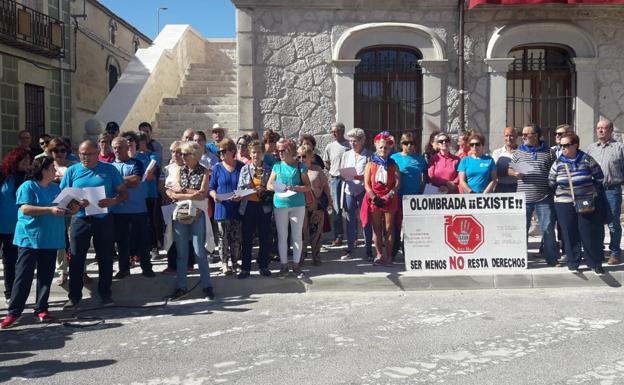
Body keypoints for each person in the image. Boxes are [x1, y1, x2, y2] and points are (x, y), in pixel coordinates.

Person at [0, 157, 79, 329]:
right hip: (30, 238)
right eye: (51, 168)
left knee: (45, 276)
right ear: (42, 170)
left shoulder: (56, 188)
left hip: (50, 238)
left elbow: (62, 211)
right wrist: (49, 210)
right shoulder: (27, 186)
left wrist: (73, 209)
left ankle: (41, 309)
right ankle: (14, 312)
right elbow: (25, 208)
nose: (55, 171)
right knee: (23, 276)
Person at [60, 140, 128, 308]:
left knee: (105, 257)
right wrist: (75, 203)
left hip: (104, 219)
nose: (85, 157)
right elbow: (63, 196)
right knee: (76, 259)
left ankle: (105, 293)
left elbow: (124, 193)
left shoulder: (109, 169)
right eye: (82, 154)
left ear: (97, 153)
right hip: (80, 219)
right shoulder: (72, 171)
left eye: (89, 154)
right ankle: (74, 296)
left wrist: (112, 201)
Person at [549, 133, 606, 274]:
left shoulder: (587, 159)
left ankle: (594, 263)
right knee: (569, 233)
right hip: (563, 202)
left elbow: (599, 177)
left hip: (585, 201)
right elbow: (551, 181)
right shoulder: (558, 163)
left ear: (575, 145)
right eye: (561, 145)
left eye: (566, 145)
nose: (563, 148)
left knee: (588, 232)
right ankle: (573, 262)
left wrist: (588, 190)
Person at [165, 141, 215, 300]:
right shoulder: (180, 170)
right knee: (181, 252)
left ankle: (207, 286)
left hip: (198, 214)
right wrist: (189, 194)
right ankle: (181, 286)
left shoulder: (205, 171)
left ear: (194, 155)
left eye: (185, 154)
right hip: (181, 213)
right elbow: (173, 193)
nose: (182, 156)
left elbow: (202, 194)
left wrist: (183, 192)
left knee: (199, 251)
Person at [509, 124, 559, 266]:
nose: (523, 137)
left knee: (548, 230)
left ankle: (551, 260)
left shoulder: (549, 152)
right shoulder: (519, 151)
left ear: (536, 136)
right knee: (521, 230)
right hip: (523, 199)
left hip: (544, 198)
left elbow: (555, 171)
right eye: (522, 134)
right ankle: (521, 260)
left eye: (526, 134)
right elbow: (509, 170)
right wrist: (515, 173)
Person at [111, 137, 154, 279]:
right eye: (115, 147)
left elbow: (135, 181)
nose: (117, 150)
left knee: (143, 240)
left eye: (120, 147)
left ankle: (146, 267)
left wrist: (116, 181)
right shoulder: (110, 166)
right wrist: (125, 180)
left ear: (126, 148)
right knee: (122, 242)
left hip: (138, 209)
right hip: (118, 210)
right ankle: (123, 269)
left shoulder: (137, 163)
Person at [267, 138, 311, 278]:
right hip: (280, 204)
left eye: (282, 150)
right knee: (282, 236)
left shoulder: (300, 166)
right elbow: (268, 185)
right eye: (278, 151)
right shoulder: (277, 166)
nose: (279, 153)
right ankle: (284, 265)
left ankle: (296, 265)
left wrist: (296, 188)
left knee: (297, 236)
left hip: (297, 204)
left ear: (290, 150)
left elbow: (308, 186)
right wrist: (278, 188)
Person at [586, 118, 624, 265]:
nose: (600, 130)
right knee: (596, 222)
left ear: (611, 130)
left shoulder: (619, 148)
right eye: (598, 128)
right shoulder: (591, 148)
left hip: (612, 190)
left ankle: (615, 253)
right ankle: (598, 251)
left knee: (613, 223)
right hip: (595, 190)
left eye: (604, 128)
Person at [361, 132, 401, 266]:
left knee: (389, 228)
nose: (383, 150)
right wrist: (374, 197)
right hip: (375, 199)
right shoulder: (370, 164)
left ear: (389, 149)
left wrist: (388, 196)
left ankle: (389, 256)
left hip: (389, 198)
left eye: (386, 148)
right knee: (377, 228)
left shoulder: (393, 165)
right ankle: (379, 254)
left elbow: (397, 184)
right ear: (376, 148)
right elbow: (366, 184)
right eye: (381, 148)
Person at [237, 140, 273, 278]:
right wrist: (253, 190)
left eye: (259, 152)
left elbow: (273, 187)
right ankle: (245, 268)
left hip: (264, 207)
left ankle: (263, 266)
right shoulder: (245, 169)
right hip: (249, 206)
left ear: (263, 153)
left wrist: (264, 189)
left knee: (265, 237)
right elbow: (240, 188)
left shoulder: (269, 169)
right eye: (254, 152)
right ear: (250, 154)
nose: (256, 155)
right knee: (247, 239)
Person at [209, 138, 244, 275]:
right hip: (221, 207)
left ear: (232, 151)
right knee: (223, 237)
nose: (221, 154)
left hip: (236, 206)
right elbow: (211, 187)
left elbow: (246, 185)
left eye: (224, 151)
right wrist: (214, 196)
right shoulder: (217, 167)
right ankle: (224, 264)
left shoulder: (241, 167)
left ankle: (235, 262)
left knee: (236, 237)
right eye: (219, 152)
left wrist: (241, 195)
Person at [160, 141, 195, 274]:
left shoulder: (188, 168)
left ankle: (189, 263)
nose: (175, 155)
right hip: (169, 204)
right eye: (173, 152)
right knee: (170, 234)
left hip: (185, 204)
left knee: (187, 234)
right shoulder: (167, 169)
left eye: (178, 152)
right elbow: (161, 186)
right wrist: (169, 194)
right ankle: (171, 264)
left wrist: (178, 193)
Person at [0, 148, 30, 303]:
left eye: (28, 160)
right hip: (1, 224)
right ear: (14, 160)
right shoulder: (3, 175)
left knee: (10, 261)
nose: (27, 162)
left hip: (17, 228)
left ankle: (10, 293)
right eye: (23, 160)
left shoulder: (28, 178)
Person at [390, 132, 427, 257]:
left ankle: (409, 254)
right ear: (401, 144)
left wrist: (421, 190)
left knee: (411, 227)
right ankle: (393, 252)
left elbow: (426, 177)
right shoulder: (394, 158)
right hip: (398, 197)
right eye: (406, 143)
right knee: (395, 226)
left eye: (412, 143)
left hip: (414, 199)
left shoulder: (420, 159)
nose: (409, 145)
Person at [340, 128, 373, 260]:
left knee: (366, 220)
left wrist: (360, 177)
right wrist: (343, 176)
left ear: (362, 141)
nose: (353, 143)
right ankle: (350, 249)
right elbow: (341, 170)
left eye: (355, 141)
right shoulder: (346, 155)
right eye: (351, 141)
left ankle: (369, 250)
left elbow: (371, 174)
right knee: (349, 220)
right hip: (349, 190)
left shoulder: (368, 155)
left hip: (363, 191)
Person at [49, 138, 77, 286]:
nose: (59, 154)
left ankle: (81, 270)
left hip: (72, 206)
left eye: (62, 150)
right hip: (55, 207)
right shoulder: (47, 167)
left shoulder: (74, 166)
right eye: (55, 150)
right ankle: (62, 271)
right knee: (60, 240)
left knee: (75, 239)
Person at [298, 145, 332, 266]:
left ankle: (316, 256)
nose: (301, 159)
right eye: (299, 157)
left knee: (316, 232)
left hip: (317, 205)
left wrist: (330, 200)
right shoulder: (296, 170)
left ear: (311, 157)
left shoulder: (317, 170)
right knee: (302, 232)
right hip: (301, 205)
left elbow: (325, 186)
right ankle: (300, 256)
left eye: (304, 156)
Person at [322, 122, 350, 247]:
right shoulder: (329, 146)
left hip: (348, 179)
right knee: (336, 208)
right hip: (335, 179)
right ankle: (338, 236)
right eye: (332, 131)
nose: (334, 133)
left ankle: (352, 236)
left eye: (336, 131)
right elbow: (326, 163)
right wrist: (334, 171)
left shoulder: (349, 145)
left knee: (349, 208)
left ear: (342, 131)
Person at [136, 132, 163, 258]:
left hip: (150, 192)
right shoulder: (134, 156)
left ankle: (154, 246)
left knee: (152, 220)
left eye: (139, 141)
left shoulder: (153, 155)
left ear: (144, 142)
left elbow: (152, 171)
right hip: (138, 193)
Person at [492, 127, 518, 193]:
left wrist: (504, 167)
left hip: (517, 188)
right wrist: (513, 171)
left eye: (511, 136)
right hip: (501, 187)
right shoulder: (497, 152)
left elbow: (523, 171)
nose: (508, 138)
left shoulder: (522, 152)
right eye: (506, 136)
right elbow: (495, 171)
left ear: (516, 136)